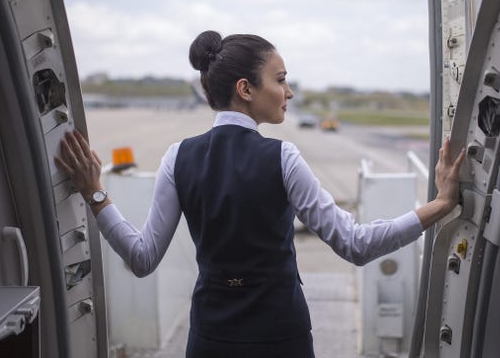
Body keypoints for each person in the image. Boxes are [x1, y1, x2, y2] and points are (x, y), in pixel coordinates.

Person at [56, 30, 465, 358]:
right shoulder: (283, 158)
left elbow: (142, 258)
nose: (289, 92)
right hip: (279, 335)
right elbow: (355, 245)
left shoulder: (177, 157)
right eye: (281, 80)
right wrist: (441, 204)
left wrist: (96, 195)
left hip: (210, 336)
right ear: (245, 89)